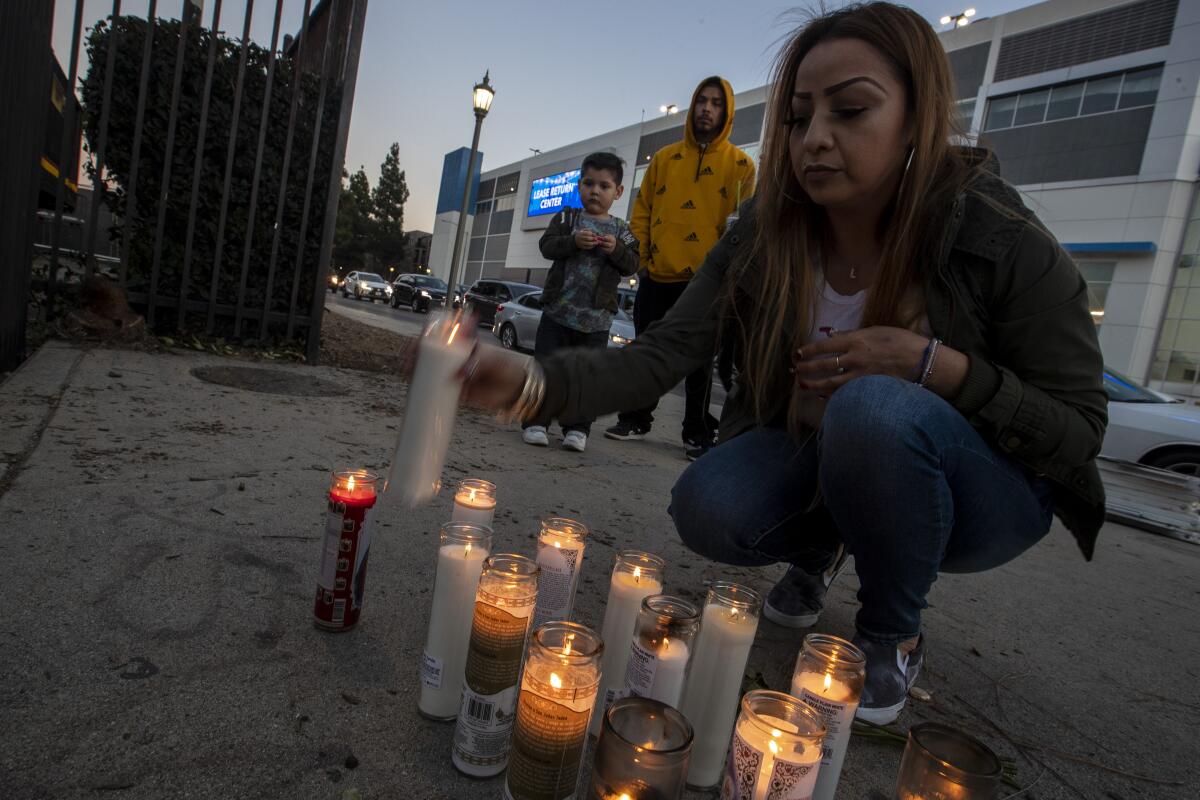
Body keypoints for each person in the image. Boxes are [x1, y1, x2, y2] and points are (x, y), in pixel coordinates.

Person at [460, 2, 1106, 724]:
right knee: (708, 505)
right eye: (799, 117)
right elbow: (668, 349)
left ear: (917, 118)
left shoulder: (999, 234)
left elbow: (1079, 429)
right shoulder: (770, 232)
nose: (815, 140)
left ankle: (892, 632)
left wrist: (936, 367)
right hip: (820, 454)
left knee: (876, 407)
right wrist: (532, 383)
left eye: (851, 111)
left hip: (983, 496)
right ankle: (825, 544)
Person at [604, 76, 757, 460]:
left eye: (716, 103)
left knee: (700, 362)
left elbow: (744, 224)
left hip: (707, 282)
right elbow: (643, 211)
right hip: (657, 276)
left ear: (727, 112)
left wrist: (728, 275)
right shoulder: (665, 159)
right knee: (649, 350)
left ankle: (697, 433)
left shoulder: (740, 165)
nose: (706, 108)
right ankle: (636, 418)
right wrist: (641, 256)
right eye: (701, 101)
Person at [521, 152, 639, 452]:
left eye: (604, 185)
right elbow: (546, 246)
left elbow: (632, 265)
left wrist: (616, 251)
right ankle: (536, 422)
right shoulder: (566, 217)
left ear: (618, 192)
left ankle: (577, 429)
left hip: (596, 322)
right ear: (579, 185)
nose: (595, 191)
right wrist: (572, 242)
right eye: (589, 183)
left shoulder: (622, 230)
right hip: (557, 315)